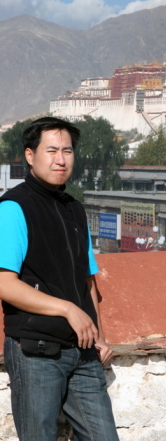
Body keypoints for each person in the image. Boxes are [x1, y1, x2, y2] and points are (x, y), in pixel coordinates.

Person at [0, 117, 119, 441]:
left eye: (67, 150)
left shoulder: (75, 210)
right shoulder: (13, 208)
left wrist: (101, 336)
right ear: (29, 155)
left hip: (82, 353)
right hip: (35, 352)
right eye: (51, 150)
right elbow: (5, 284)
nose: (61, 159)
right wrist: (67, 310)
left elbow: (87, 281)